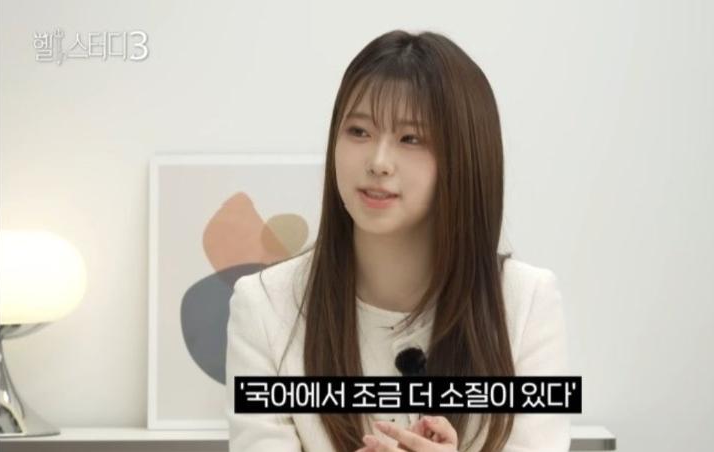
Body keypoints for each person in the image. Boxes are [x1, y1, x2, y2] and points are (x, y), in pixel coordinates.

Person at [225, 29, 572, 452]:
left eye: (411, 138)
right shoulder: (264, 306)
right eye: (358, 131)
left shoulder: (526, 303)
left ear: (464, 157)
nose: (378, 162)